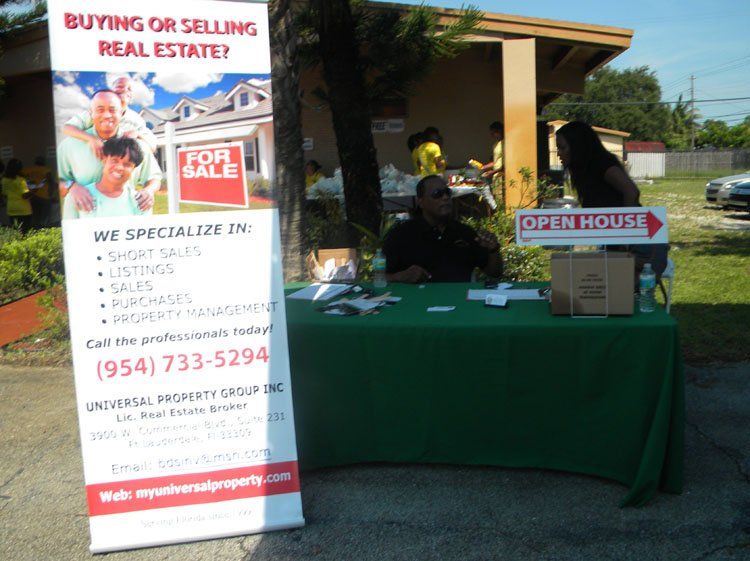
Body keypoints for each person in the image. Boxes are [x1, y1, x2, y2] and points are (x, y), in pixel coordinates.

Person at [556, 121, 667, 280]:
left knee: (617, 290)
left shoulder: (601, 164)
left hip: (640, 246)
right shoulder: (584, 171)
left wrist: (624, 234)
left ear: (577, 146)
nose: (558, 153)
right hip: (622, 245)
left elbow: (631, 191)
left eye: (562, 148)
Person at [58, 89, 162, 215]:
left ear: (121, 113)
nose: (107, 115)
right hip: (82, 219)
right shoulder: (70, 145)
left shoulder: (137, 146)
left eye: (112, 110)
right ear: (91, 113)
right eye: (100, 110)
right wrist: (71, 186)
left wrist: (149, 191)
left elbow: (154, 178)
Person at [383, 175, 502, 283]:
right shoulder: (400, 235)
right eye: (437, 194)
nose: (445, 197)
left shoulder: (465, 233)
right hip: (417, 299)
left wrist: (493, 250)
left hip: (459, 298)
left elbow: (494, 273)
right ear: (421, 202)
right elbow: (379, 278)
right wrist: (400, 276)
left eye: (447, 192)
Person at [63, 75, 157, 159]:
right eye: (120, 86)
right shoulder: (96, 112)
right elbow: (67, 128)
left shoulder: (137, 120)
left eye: (129, 89)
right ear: (111, 92)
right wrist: (91, 139)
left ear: (131, 98)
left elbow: (152, 147)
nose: (124, 90)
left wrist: (137, 135)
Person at [63, 137, 146, 219]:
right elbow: (68, 227)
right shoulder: (77, 196)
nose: (119, 167)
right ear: (104, 160)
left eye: (127, 164)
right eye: (114, 161)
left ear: (133, 168)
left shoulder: (140, 201)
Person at [1, 158, 33, 233]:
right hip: (23, 210)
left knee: (17, 232)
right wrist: (34, 190)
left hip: (11, 209)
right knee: (25, 232)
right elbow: (25, 196)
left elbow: (4, 194)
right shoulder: (21, 180)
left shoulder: (4, 180)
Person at [22, 156, 52, 228]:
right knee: (45, 216)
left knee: (35, 215)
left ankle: (36, 229)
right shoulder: (46, 169)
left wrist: (29, 182)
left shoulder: (29, 169)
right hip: (44, 196)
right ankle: (44, 229)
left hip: (33, 195)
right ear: (44, 162)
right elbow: (50, 181)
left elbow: (20, 176)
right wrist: (51, 193)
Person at [480, 121, 504, 186]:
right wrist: (483, 167)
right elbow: (495, 161)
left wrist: (493, 172)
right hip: (496, 176)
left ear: (499, 131)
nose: (492, 136)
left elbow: (506, 164)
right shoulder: (495, 144)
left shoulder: (505, 143)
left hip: (502, 176)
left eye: (493, 133)